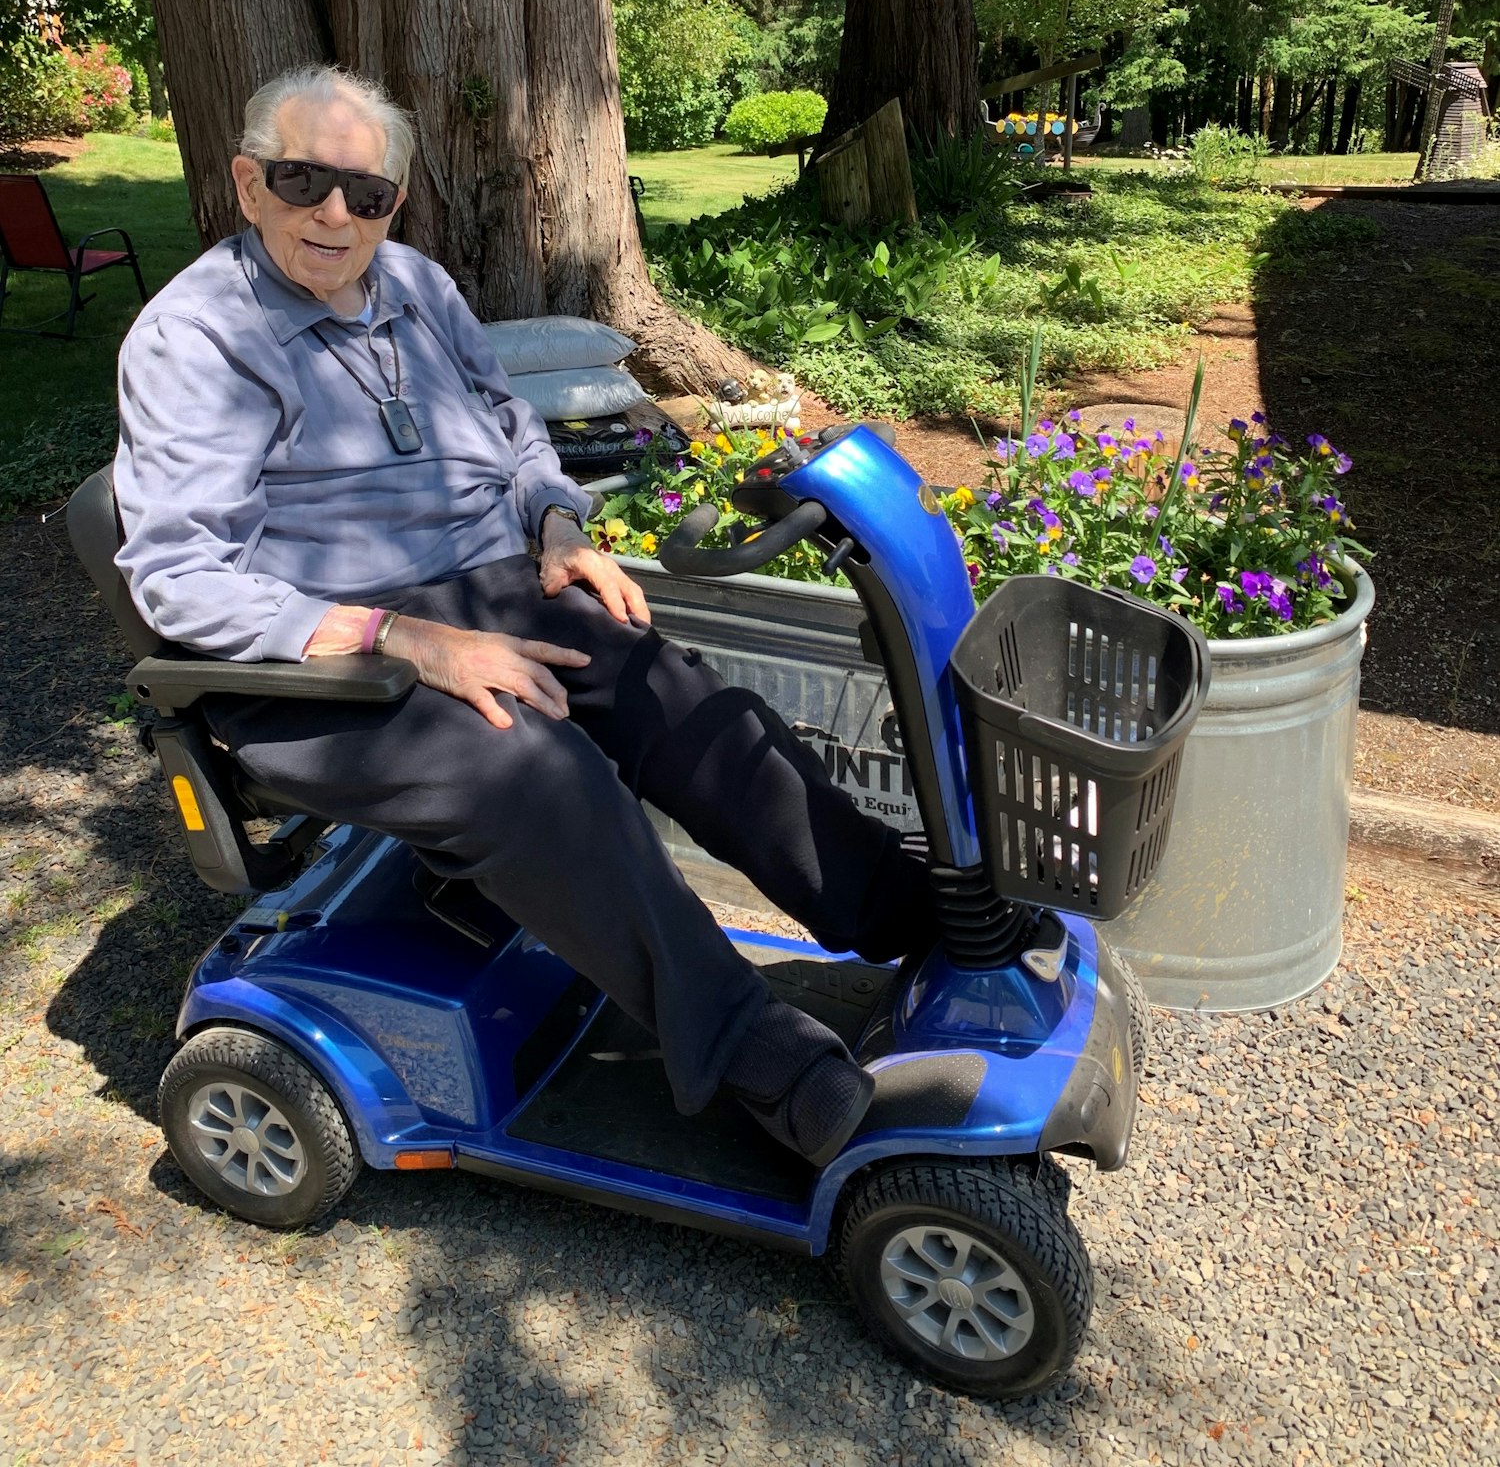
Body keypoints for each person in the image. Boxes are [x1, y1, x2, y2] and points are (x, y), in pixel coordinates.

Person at [114, 66, 935, 1165]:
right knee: (541, 772)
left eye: (368, 193)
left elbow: (512, 427)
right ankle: (758, 1058)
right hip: (323, 658)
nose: (335, 213)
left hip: (488, 584)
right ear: (248, 182)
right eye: (305, 179)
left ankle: (900, 914)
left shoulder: (415, 284)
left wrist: (556, 527)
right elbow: (177, 573)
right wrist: (406, 638)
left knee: (676, 694)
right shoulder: (194, 340)